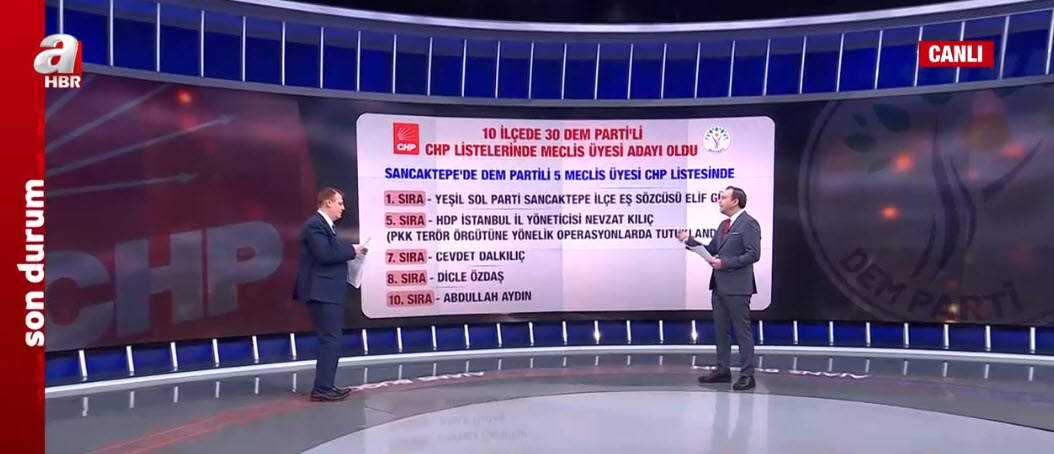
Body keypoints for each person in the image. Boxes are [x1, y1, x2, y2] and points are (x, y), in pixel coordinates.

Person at [678, 186, 760, 391]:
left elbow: (753, 254)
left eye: (723, 198)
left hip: (738, 287)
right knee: (721, 330)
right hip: (719, 285)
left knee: (742, 332)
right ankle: (723, 370)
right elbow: (712, 249)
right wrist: (689, 241)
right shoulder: (724, 224)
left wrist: (725, 263)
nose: (719, 201)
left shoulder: (749, 223)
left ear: (736, 201)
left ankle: (747, 375)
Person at [293, 187, 366, 402]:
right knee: (330, 339)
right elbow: (324, 254)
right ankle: (322, 389)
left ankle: (326, 385)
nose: (343, 208)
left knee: (331, 339)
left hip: (328, 291)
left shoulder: (326, 226)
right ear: (328, 203)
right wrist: (352, 250)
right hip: (321, 292)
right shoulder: (315, 225)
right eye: (339, 203)